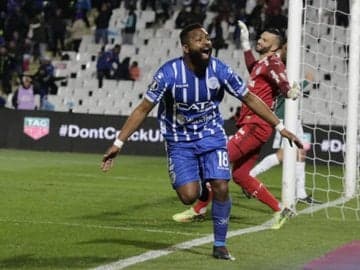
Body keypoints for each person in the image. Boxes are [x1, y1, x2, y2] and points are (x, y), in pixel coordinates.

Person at [100, 23, 302, 260]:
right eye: (199, 39)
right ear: (186, 48)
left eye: (207, 38)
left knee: (221, 184)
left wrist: (280, 126)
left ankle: (220, 244)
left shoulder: (220, 70)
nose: (206, 42)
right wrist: (118, 143)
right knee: (189, 194)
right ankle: (197, 189)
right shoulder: (168, 73)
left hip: (211, 137)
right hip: (179, 141)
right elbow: (143, 109)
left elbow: (249, 98)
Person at [172, 21, 301, 230]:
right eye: (260, 37)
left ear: (275, 47)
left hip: (256, 125)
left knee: (215, 161)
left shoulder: (273, 63)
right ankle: (280, 209)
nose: (260, 40)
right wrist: (245, 44)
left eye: (265, 40)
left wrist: (288, 91)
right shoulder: (262, 63)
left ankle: (199, 209)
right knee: (240, 176)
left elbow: (281, 79)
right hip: (254, 125)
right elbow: (253, 66)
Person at [249, 43, 322, 205]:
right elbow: (285, 91)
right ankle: (251, 175)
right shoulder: (279, 69)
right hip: (284, 117)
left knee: (301, 153)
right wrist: (306, 82)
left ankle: (301, 193)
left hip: (295, 118)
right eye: (287, 48)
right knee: (283, 155)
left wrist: (303, 83)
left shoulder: (289, 69)